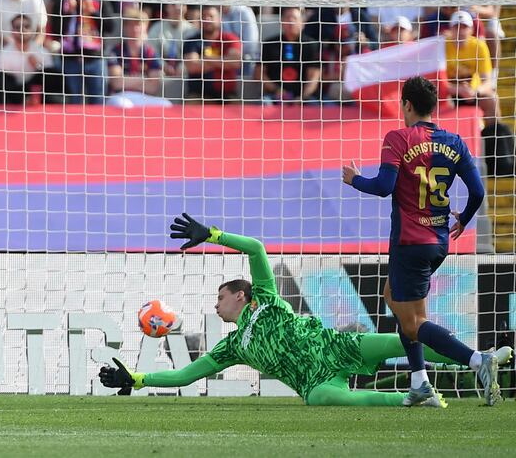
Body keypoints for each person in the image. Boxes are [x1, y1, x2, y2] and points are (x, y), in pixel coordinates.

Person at [98, 213, 513, 406]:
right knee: (332, 400)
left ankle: (478, 360)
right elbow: (186, 374)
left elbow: (257, 248)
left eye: (220, 296)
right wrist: (137, 377)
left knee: (404, 339)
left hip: (335, 347)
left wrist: (212, 234)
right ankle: (416, 401)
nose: (216, 304)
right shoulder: (232, 348)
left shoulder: (264, 297)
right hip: (312, 381)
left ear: (240, 295)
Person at [341, 76, 498, 406]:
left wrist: (355, 179)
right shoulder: (454, 142)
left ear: (406, 105)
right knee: (394, 296)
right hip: (439, 240)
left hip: (409, 241)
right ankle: (419, 382)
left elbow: (384, 186)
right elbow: (478, 191)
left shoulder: (398, 138)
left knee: (412, 323)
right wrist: (464, 220)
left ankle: (476, 360)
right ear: (434, 106)